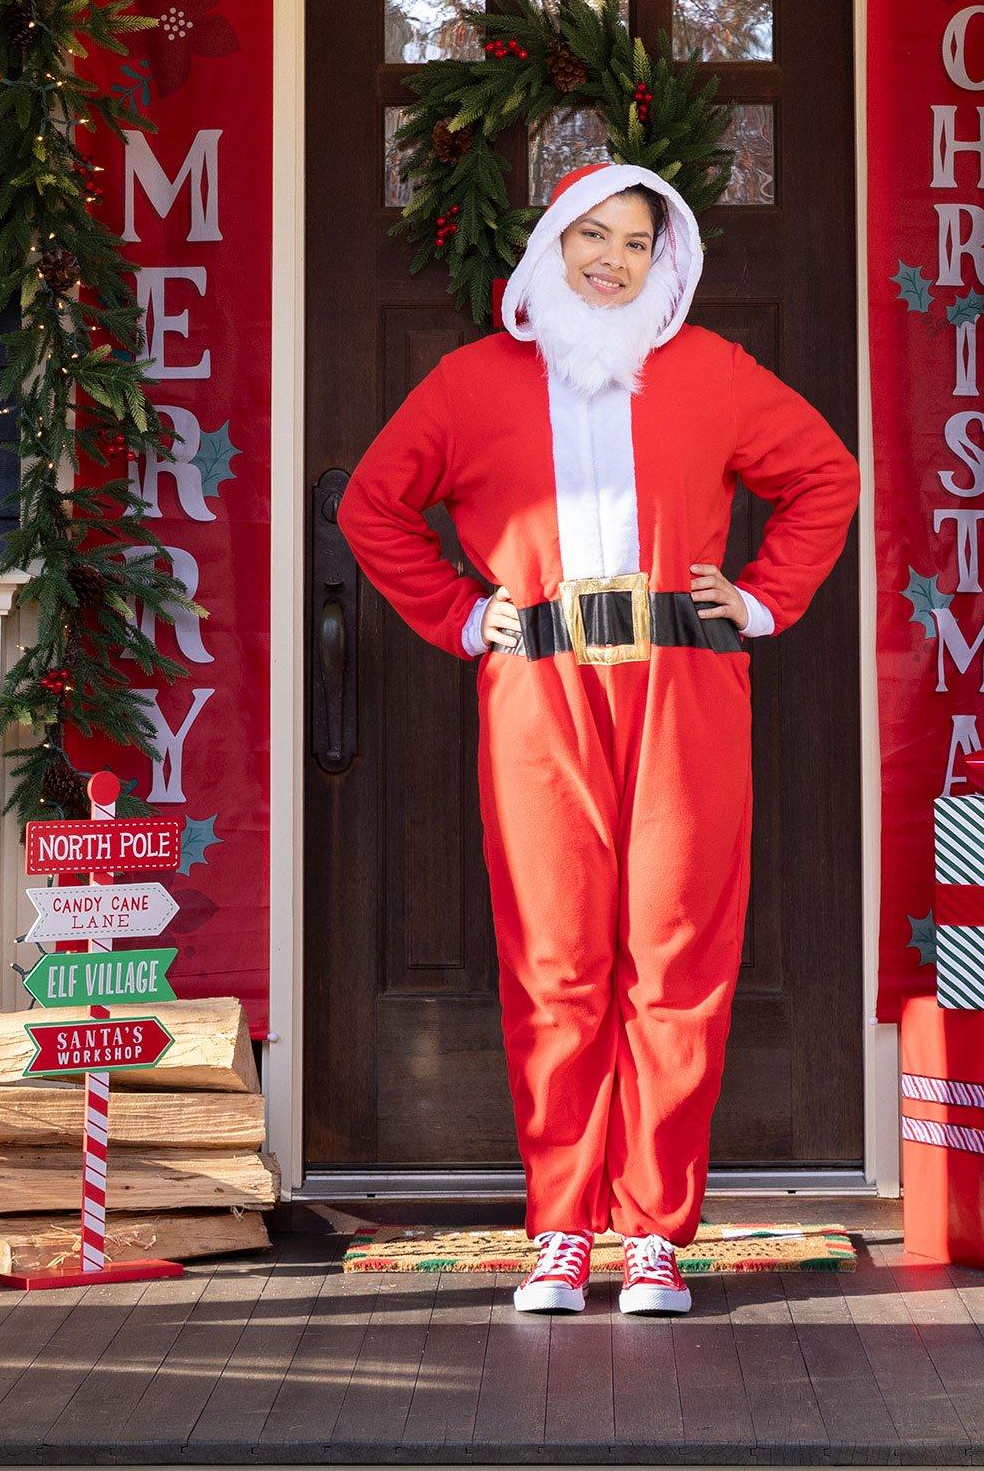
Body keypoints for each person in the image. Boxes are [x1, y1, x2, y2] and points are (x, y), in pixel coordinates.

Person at [338, 160, 858, 1316]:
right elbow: (371, 501)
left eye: (634, 239)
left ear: (662, 260)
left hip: (683, 682)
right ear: (549, 244)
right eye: (589, 233)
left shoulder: (710, 371)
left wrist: (764, 596)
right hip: (537, 685)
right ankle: (561, 1228)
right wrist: (462, 612)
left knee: (676, 956)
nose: (609, 258)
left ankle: (656, 1233)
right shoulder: (471, 381)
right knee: (556, 960)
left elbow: (825, 474)